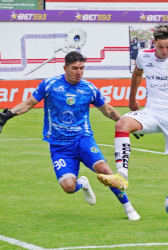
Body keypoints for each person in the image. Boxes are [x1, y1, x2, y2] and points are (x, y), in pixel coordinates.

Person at [0, 52, 140, 220]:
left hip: (83, 139)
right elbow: (29, 103)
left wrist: (126, 122)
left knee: (104, 169)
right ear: (65, 68)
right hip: (59, 146)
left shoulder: (89, 88)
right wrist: (8, 115)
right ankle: (83, 183)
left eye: (81, 68)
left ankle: (128, 208)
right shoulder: (50, 85)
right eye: (74, 68)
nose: (79, 72)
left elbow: (107, 110)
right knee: (68, 187)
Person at [97, 24, 168, 195]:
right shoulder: (144, 56)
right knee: (121, 124)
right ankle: (121, 176)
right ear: (154, 43)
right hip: (151, 113)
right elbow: (137, 73)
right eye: (161, 46)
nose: (165, 51)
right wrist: (132, 98)